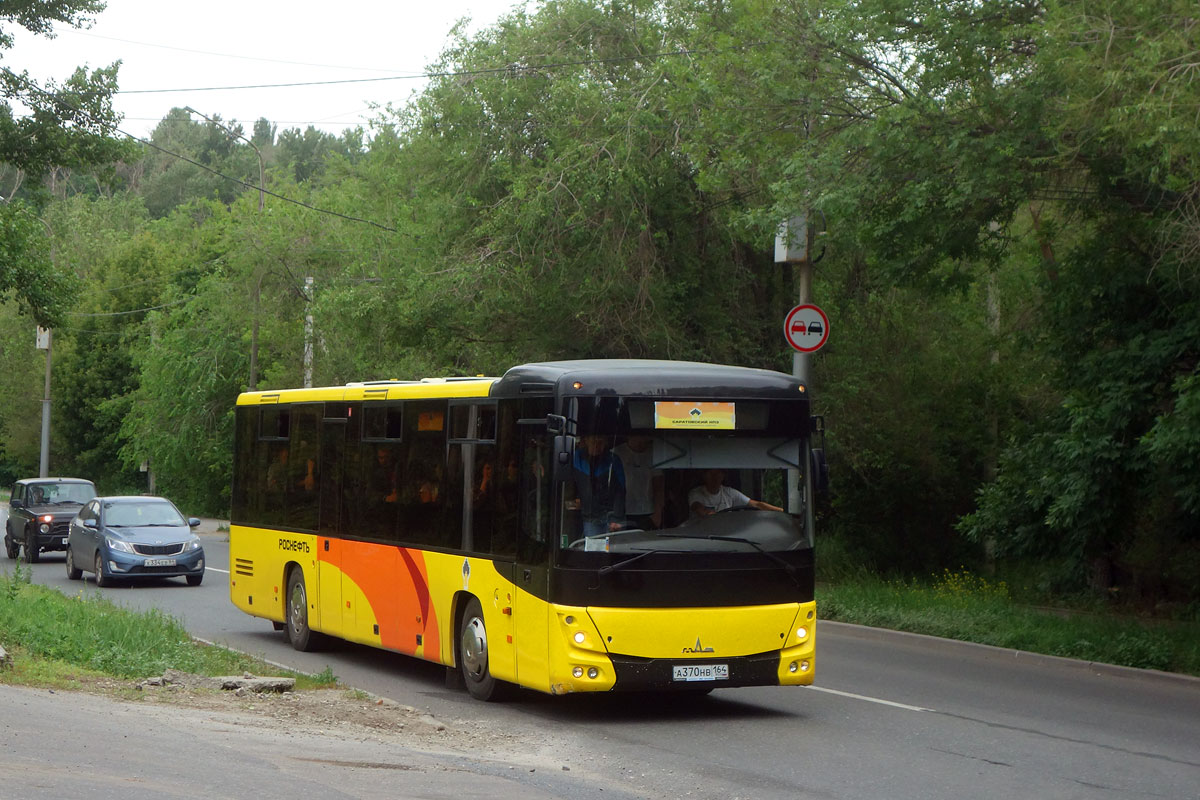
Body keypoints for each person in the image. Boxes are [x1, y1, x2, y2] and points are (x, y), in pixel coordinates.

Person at [571, 435, 626, 537]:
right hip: (590, 518)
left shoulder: (613, 460)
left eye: (600, 442)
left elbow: (620, 491)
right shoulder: (575, 459)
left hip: (611, 518)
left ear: (605, 443)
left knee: (613, 550)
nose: (597, 445)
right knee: (592, 550)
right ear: (586, 440)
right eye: (594, 441)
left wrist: (617, 518)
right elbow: (567, 484)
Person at [688, 468, 782, 519]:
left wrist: (783, 511)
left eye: (718, 473)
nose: (714, 477)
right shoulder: (696, 494)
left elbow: (757, 504)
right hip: (702, 537)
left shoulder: (729, 493)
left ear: (723, 476)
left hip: (727, 536)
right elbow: (699, 509)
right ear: (704, 476)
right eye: (711, 473)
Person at [614, 435, 664, 529]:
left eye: (643, 435)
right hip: (622, 511)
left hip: (648, 511)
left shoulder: (654, 454)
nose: (640, 440)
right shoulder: (616, 453)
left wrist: (658, 512)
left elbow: (659, 486)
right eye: (636, 435)